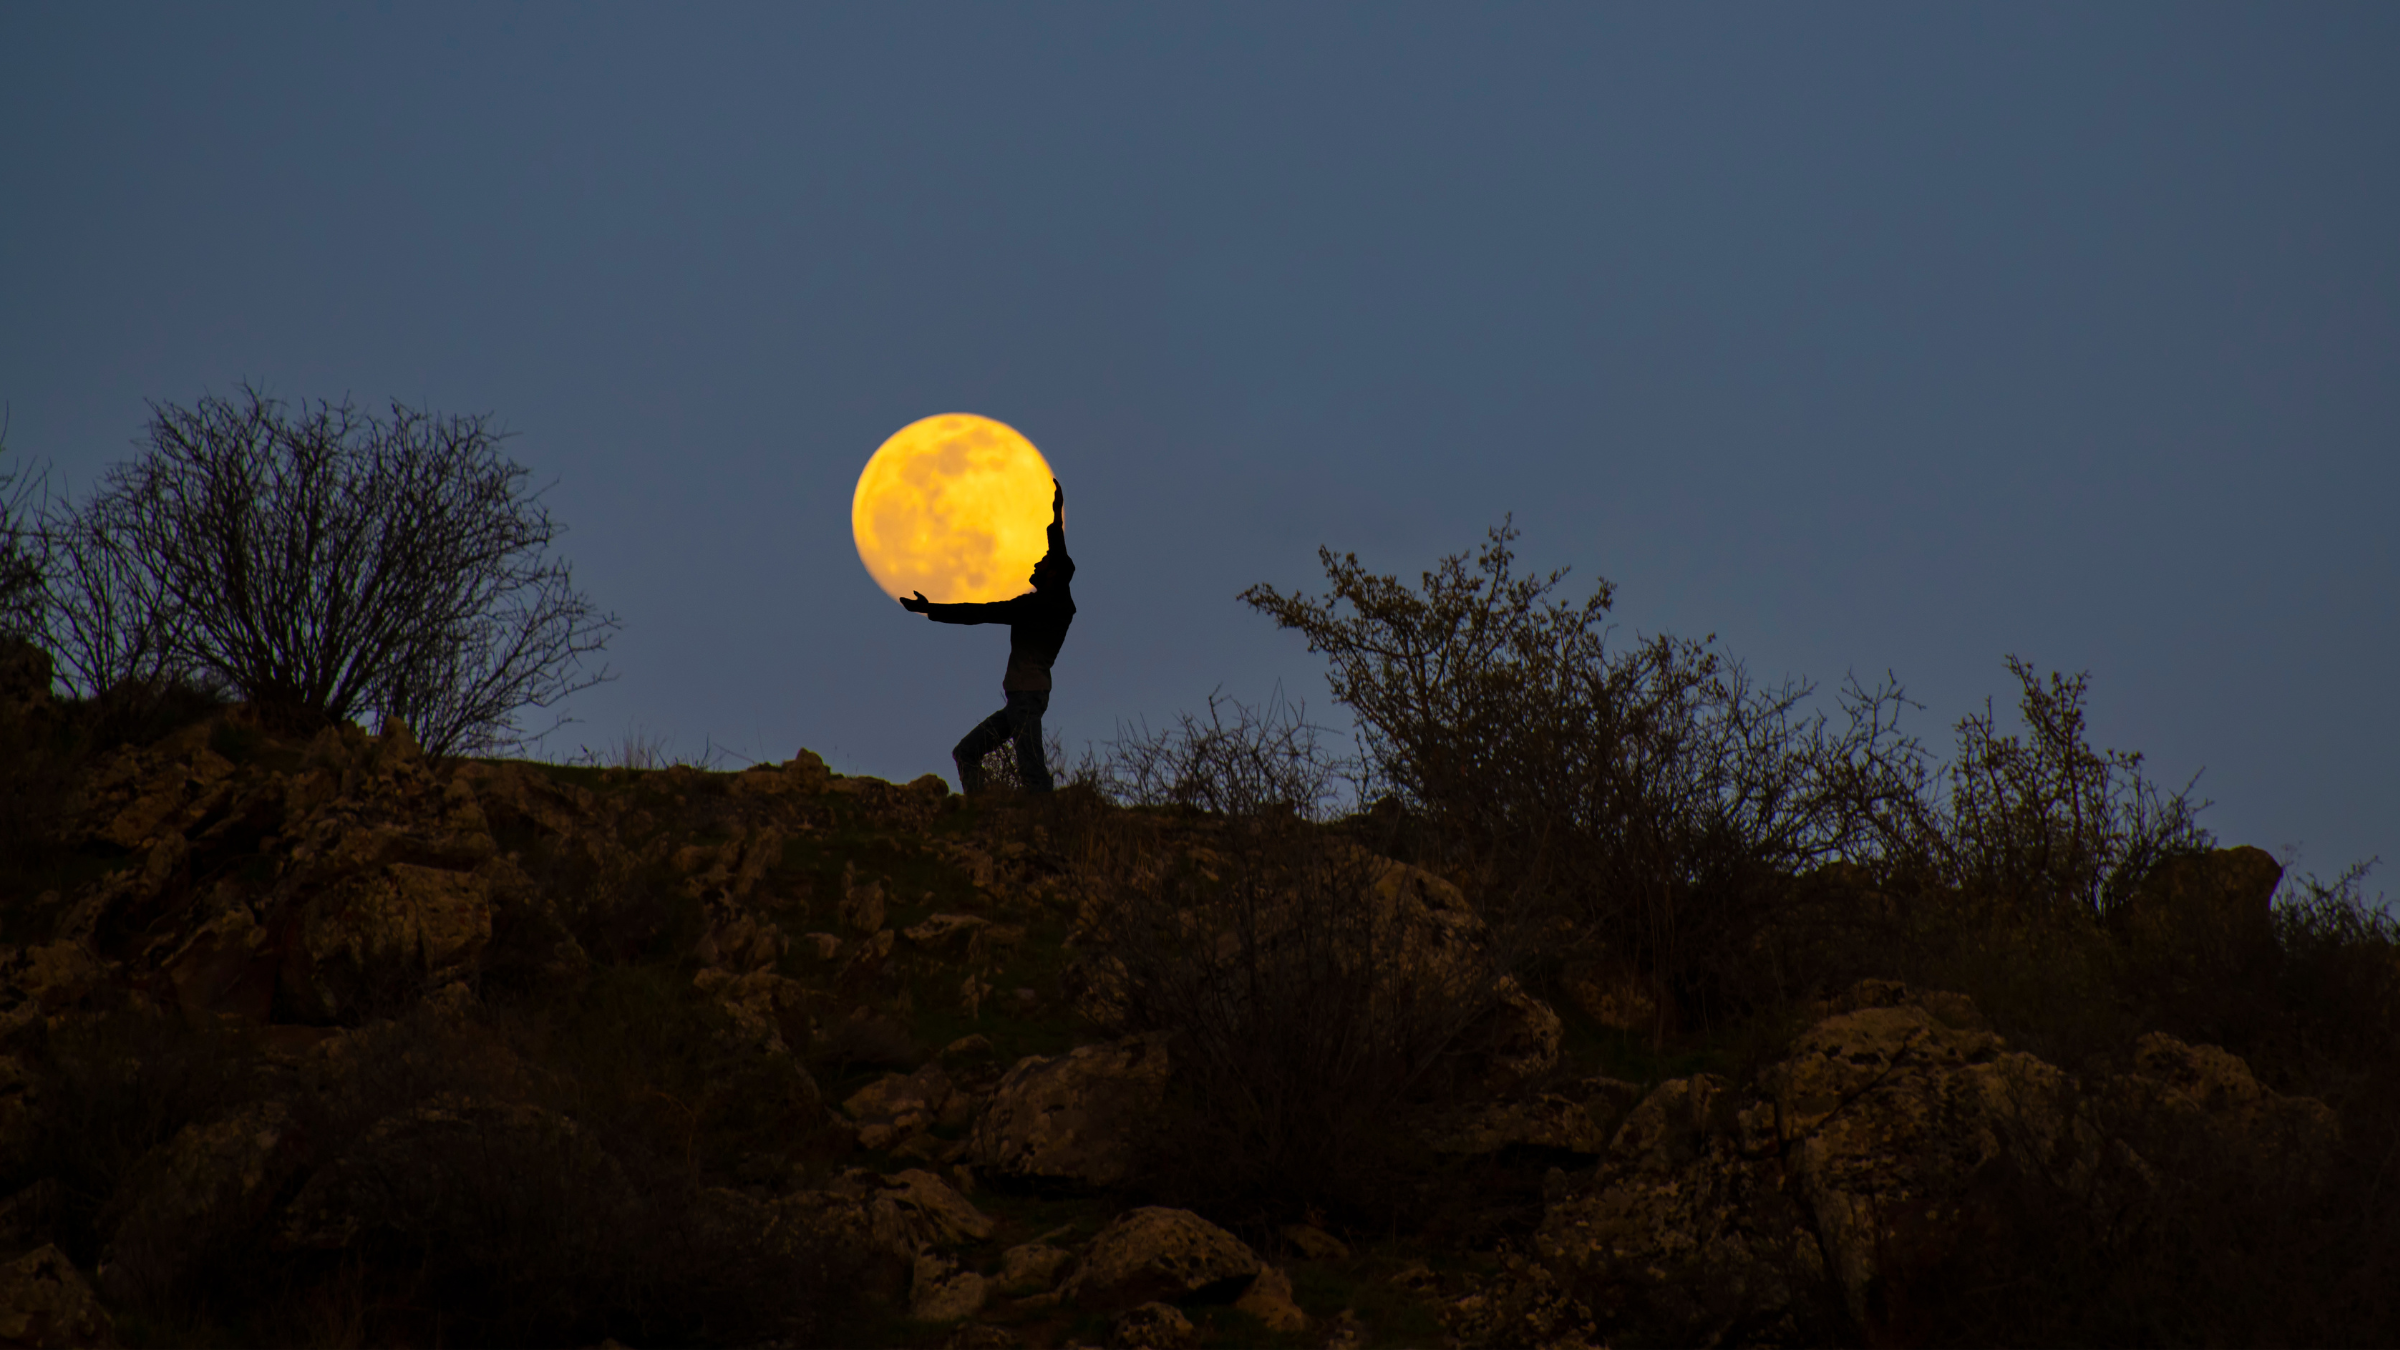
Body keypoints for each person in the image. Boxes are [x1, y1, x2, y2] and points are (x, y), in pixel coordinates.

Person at [899, 478, 1075, 794]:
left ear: (1052, 574)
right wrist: (1056, 515)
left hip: (1026, 697)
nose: (1036, 562)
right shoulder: (1054, 603)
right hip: (1020, 699)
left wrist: (931, 609)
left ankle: (1047, 828)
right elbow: (1057, 554)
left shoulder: (1039, 606)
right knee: (966, 753)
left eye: (1043, 562)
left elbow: (977, 613)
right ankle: (983, 812)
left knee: (1033, 774)